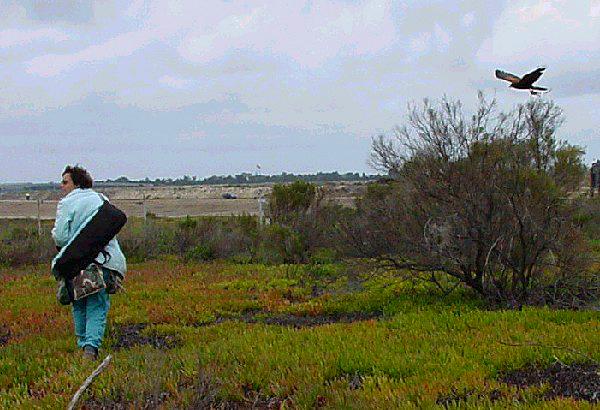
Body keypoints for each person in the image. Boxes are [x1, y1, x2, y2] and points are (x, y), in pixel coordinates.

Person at [51, 165, 127, 360]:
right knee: (96, 304)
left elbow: (60, 237)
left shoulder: (67, 203)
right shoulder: (101, 199)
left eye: (65, 182)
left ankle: (85, 347)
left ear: (76, 183)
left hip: (78, 263)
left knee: (79, 303)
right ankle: (90, 349)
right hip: (106, 262)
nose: (62, 186)